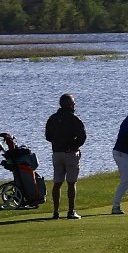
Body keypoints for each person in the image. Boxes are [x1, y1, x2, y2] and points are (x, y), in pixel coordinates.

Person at [43, 92, 87, 220]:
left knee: (57, 183)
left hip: (56, 153)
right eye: (73, 103)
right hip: (70, 154)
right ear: (68, 105)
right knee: (71, 183)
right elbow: (82, 137)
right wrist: (73, 146)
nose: (74, 106)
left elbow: (48, 136)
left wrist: (58, 143)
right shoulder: (74, 119)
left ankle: (56, 212)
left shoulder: (53, 118)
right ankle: (71, 211)